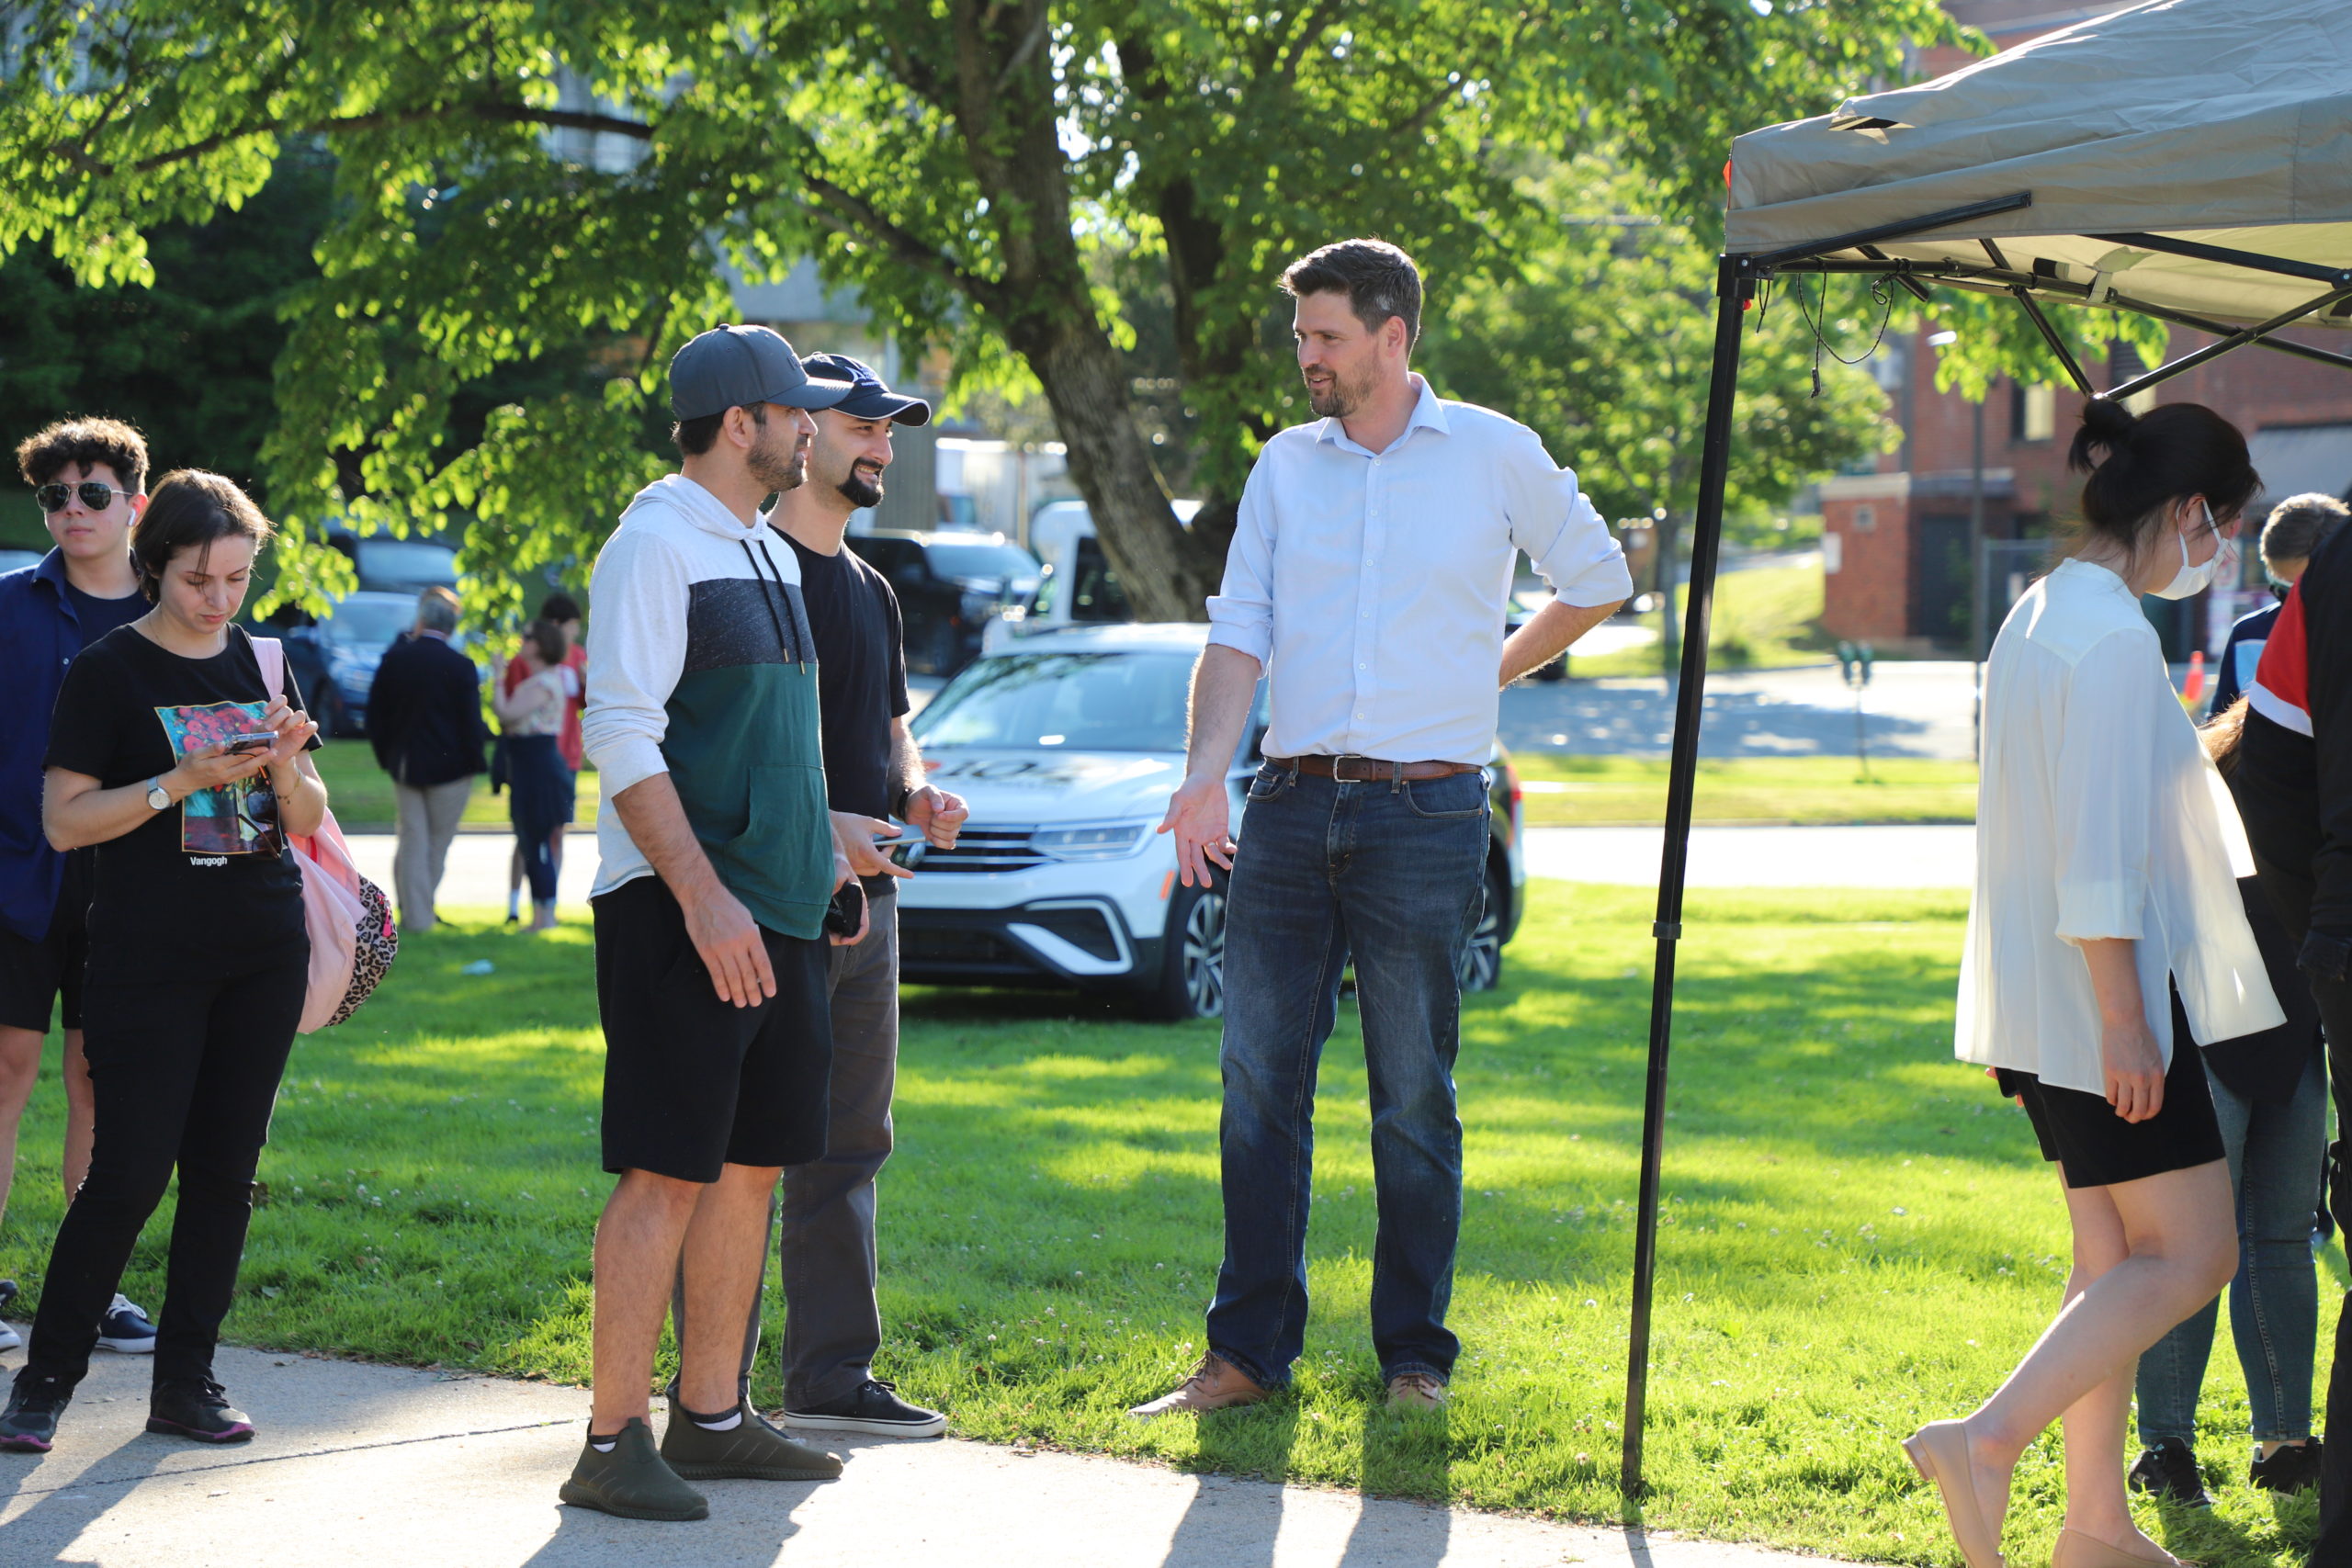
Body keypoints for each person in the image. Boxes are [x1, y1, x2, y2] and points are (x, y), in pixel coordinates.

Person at [1138, 239, 1632, 1418]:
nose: (1305, 356)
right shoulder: (1281, 468)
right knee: (1257, 1083)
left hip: (1429, 810)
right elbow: (1238, 629)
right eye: (1300, 336)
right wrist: (1206, 775)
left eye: (1326, 337)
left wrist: (1488, 674)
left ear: (1392, 335)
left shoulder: (1493, 453)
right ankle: (1248, 1354)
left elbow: (1599, 573)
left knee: (1412, 1093)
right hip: (1291, 802)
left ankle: (1414, 1355)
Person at [1907, 400, 2277, 1568]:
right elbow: (2098, 854)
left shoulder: (2044, 609)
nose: (2214, 554)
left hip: (2037, 994)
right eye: (2218, 529)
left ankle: (2095, 1526)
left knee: (2111, 1262)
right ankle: (1984, 1440)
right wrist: (2127, 1021)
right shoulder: (2112, 635)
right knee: (2196, 1254)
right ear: (2183, 513)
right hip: (2096, 994)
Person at [563, 324, 863, 1522]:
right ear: (742, 423)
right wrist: (702, 895)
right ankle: (608, 1437)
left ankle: (716, 1416)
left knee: (749, 1167)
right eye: (795, 412)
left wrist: (824, 865)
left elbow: (777, 747)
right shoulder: (652, 546)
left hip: (779, 912)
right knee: (666, 1169)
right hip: (681, 913)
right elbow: (622, 732)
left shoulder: (769, 550)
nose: (811, 429)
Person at [668, 350, 969, 1439]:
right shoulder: (746, 571)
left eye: (891, 431)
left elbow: (890, 734)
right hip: (766, 908)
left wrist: (922, 795)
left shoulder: (872, 588)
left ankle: (831, 1377)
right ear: (799, 432)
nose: (882, 446)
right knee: (738, 1151)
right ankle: (714, 1393)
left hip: (867, 915)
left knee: (850, 1146)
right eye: (862, 426)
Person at [0, 469, 327, 1453]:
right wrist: (176, 780)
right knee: (128, 1174)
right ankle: (44, 1386)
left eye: (236, 577)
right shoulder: (107, 670)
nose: (218, 599)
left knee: (225, 1174)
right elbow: (63, 823)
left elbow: (305, 819)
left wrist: (283, 761)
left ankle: (187, 1382)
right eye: (197, 580)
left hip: (262, 951)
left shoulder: (264, 662)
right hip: (148, 958)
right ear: (154, 569)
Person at [2128, 493, 2346, 1506]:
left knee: (2279, 1236)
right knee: (2192, 1244)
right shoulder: (2213, 770)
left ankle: (2283, 1440)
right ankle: (2165, 1445)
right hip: (2206, 1027)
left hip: (2295, 1034)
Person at [0, 417, 160, 1358]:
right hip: (17, 878)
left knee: (98, 1082)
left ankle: (90, 1288)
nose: (71, 510)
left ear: (135, 504)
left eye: (92, 493)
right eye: (55, 495)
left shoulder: (169, 611)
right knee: (6, 1074)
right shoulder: (11, 606)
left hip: (133, 888)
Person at [366, 586, 489, 933]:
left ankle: (414, 913)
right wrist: (477, 762)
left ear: (421, 620)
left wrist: (386, 756)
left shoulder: (396, 658)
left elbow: (376, 714)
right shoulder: (461, 665)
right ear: (451, 627)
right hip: (451, 770)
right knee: (435, 845)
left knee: (412, 841)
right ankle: (420, 918)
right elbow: (470, 723)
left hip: (405, 764)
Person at [2207, 493, 2348, 715]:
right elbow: (2219, 726)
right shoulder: (2249, 635)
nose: (2297, 608)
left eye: (2314, 595)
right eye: (2284, 592)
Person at [490, 619, 581, 933]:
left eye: (527, 637)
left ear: (540, 645)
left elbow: (506, 713)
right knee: (532, 842)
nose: (521, 641)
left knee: (537, 842)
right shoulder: (541, 680)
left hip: (539, 769)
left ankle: (545, 918)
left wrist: (498, 676)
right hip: (532, 766)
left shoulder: (543, 683)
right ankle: (542, 916)